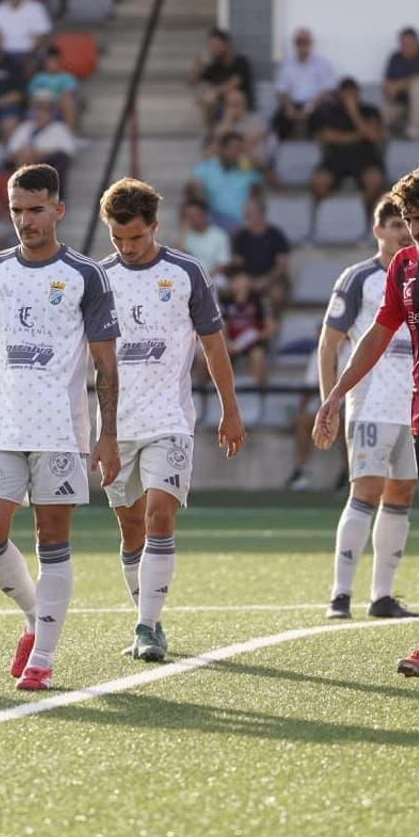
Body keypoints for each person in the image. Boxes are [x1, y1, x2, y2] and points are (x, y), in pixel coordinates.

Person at [314, 167, 419, 680]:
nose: (414, 229)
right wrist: (337, 394)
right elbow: (376, 334)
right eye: (409, 219)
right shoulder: (405, 267)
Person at [0, 163, 120, 691]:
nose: (25, 221)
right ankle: (33, 616)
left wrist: (108, 433)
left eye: (35, 210)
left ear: (58, 210)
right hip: (2, 428)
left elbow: (105, 363)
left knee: (52, 539)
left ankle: (42, 658)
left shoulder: (86, 275)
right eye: (17, 210)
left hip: (60, 434)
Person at [97, 178, 243, 660]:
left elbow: (214, 345)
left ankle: (145, 628)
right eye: (118, 238)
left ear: (155, 227)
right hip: (117, 426)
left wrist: (230, 409)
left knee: (160, 515)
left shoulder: (185, 272)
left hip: (170, 420)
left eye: (136, 237)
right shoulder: (99, 279)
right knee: (130, 527)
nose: (127, 247)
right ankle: (150, 621)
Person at [310, 197, 419, 620]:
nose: (403, 232)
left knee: (401, 493)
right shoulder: (359, 278)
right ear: (378, 231)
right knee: (367, 491)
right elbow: (329, 343)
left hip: (415, 404)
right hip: (371, 402)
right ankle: (340, 594)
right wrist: (330, 401)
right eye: (395, 224)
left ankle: (382, 596)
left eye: (407, 223)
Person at [308, 78, 386, 210]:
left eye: (352, 93)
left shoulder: (370, 110)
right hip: (336, 158)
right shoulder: (330, 112)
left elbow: (373, 136)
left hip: (365, 158)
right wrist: (359, 135)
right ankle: (336, 210)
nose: (350, 97)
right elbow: (327, 136)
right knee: (318, 182)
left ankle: (360, 211)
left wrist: (353, 112)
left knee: (375, 181)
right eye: (346, 93)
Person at [271, 27, 335, 140]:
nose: (302, 45)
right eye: (299, 42)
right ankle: (277, 149)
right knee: (277, 121)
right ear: (294, 44)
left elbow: (326, 91)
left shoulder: (322, 64)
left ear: (311, 43)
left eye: (306, 41)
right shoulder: (287, 65)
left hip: (315, 105)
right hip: (293, 104)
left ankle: (319, 148)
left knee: (323, 117)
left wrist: (309, 109)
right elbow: (281, 90)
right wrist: (288, 108)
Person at [191, 27, 254, 124]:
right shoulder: (215, 67)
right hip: (221, 111)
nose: (212, 49)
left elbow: (234, 83)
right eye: (210, 46)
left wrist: (213, 92)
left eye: (215, 45)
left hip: (242, 110)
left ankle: (221, 130)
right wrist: (197, 66)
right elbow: (193, 82)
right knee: (209, 99)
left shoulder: (241, 62)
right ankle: (216, 128)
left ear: (226, 44)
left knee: (233, 96)